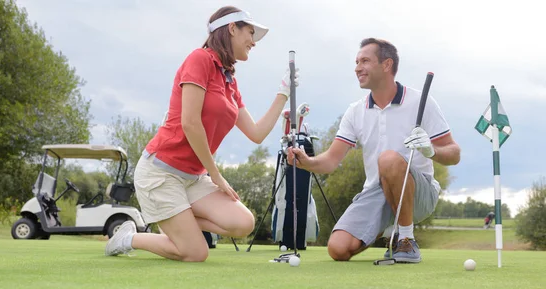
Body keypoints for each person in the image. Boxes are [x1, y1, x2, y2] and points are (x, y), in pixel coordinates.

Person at [104, 6, 299, 262]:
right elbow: (190, 124)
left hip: (192, 179)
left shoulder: (229, 80)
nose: (253, 41)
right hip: (161, 173)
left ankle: (176, 221)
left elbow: (256, 133)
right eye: (250, 33)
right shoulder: (200, 59)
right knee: (195, 253)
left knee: (243, 223)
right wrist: (216, 175)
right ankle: (128, 237)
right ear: (232, 28)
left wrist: (284, 92)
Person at [287, 38, 461, 263]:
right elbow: (331, 160)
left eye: (365, 61)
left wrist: (430, 150)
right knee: (338, 250)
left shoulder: (421, 101)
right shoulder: (355, 111)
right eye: (356, 62)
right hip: (376, 193)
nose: (357, 67)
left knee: (388, 159)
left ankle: (405, 239)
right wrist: (306, 162)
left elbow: (454, 154)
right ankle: (389, 228)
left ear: (386, 65)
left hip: (419, 192)